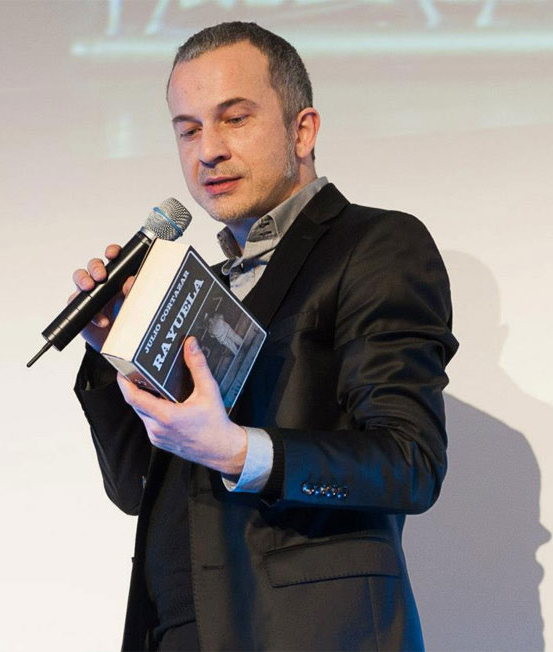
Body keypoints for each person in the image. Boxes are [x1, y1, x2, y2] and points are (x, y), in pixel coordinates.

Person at [71, 21, 457, 652]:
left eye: (234, 118)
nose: (208, 150)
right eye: (188, 129)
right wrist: (111, 350)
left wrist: (237, 452)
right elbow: (136, 489)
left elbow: (410, 463)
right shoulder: (198, 290)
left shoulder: (374, 245)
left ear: (302, 131)